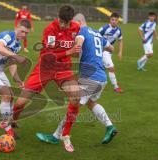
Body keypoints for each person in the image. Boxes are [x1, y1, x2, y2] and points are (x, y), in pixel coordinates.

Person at [36, 13, 118, 151]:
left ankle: (56, 136)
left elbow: (78, 46)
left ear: (79, 22)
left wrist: (74, 48)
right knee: (91, 103)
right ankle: (110, 127)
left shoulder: (83, 31)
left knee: (73, 106)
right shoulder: (97, 33)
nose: (71, 26)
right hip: (101, 78)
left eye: (73, 23)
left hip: (90, 78)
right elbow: (111, 48)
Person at [8, 5, 81, 152]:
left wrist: (79, 49)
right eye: (61, 21)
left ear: (71, 21)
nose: (63, 25)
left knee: (76, 98)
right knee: (22, 102)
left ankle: (65, 134)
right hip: (45, 68)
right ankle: (13, 119)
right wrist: (70, 51)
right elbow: (48, 56)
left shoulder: (76, 28)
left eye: (66, 22)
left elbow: (83, 41)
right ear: (58, 17)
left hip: (64, 69)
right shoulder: (50, 29)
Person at [99, 13, 124, 93]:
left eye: (116, 20)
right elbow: (96, 36)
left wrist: (120, 52)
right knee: (111, 68)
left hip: (109, 52)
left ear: (118, 21)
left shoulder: (118, 30)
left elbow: (120, 40)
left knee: (100, 68)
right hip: (102, 51)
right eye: (112, 20)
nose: (114, 21)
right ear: (110, 20)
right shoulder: (104, 28)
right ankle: (116, 87)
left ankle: (93, 83)